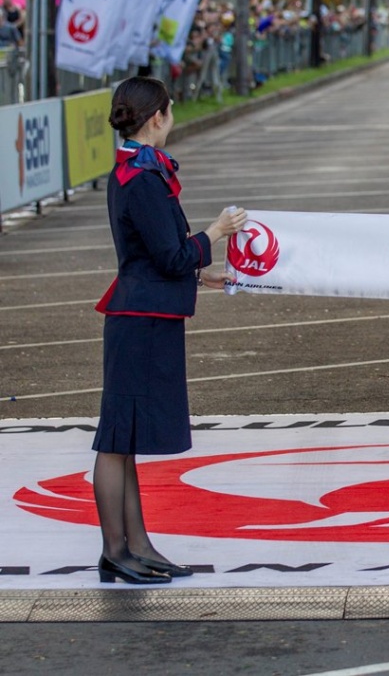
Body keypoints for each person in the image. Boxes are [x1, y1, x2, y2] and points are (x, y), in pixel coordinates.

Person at [93, 77, 247, 584]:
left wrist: (204, 272)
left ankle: (135, 545)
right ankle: (116, 550)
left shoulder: (136, 171)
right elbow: (169, 253)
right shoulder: (142, 177)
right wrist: (216, 233)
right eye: (171, 110)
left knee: (126, 438)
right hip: (139, 321)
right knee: (116, 440)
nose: (173, 117)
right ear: (157, 116)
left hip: (143, 315)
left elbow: (152, 253)